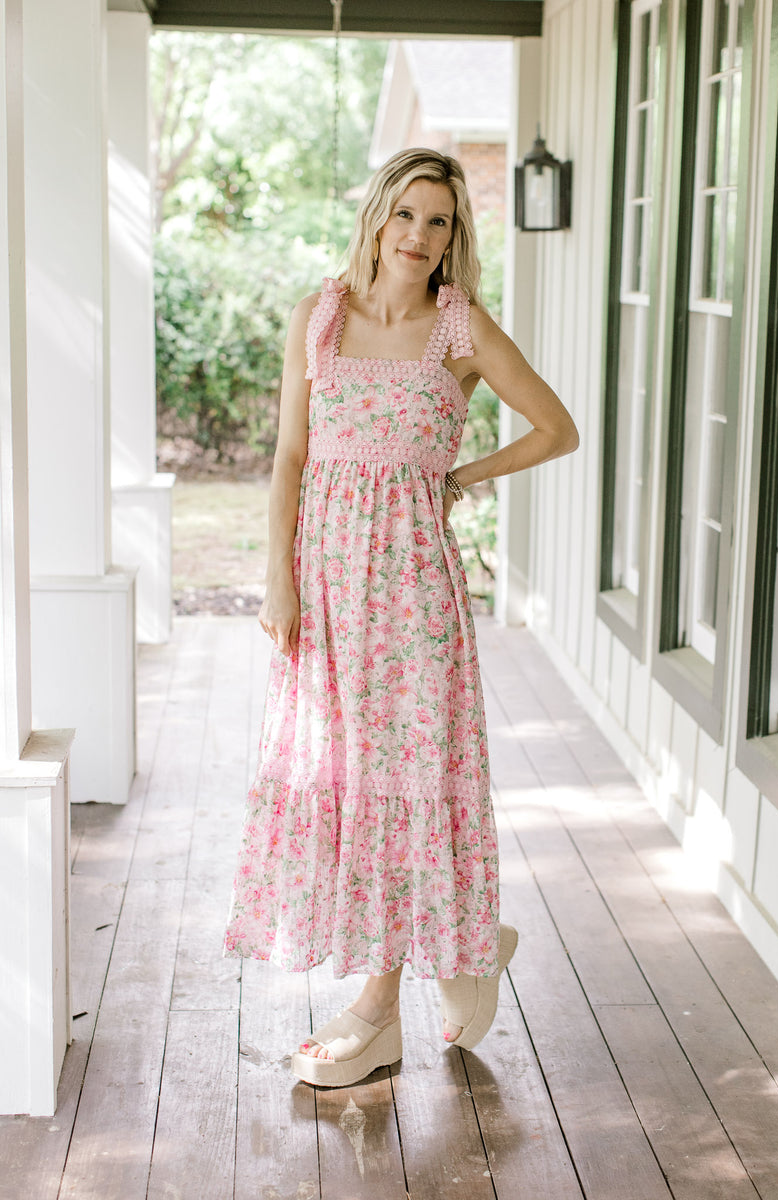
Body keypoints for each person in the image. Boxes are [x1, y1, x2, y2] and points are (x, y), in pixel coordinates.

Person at [224, 147, 578, 1088]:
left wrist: (458, 475)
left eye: (442, 223)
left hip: (414, 591)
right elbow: (291, 457)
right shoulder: (321, 315)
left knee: (400, 777)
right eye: (408, 216)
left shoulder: (458, 328)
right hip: (325, 585)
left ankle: (378, 1012)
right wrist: (279, 578)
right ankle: (469, 945)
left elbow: (556, 427)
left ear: (454, 237)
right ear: (379, 216)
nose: (421, 238)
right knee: (335, 771)